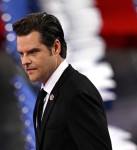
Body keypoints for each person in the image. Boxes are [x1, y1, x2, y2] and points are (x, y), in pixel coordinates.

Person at [12, 12, 112, 150]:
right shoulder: (46, 91)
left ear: (56, 47)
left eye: (33, 52)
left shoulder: (78, 94)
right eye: (21, 54)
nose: (25, 61)